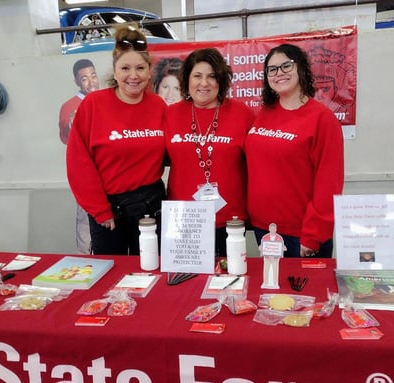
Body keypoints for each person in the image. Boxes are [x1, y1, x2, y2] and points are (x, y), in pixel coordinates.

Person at [66, 25, 167, 255]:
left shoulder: (158, 106)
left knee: (153, 272)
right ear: (115, 70)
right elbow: (78, 163)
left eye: (140, 68)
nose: (133, 76)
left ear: (149, 71)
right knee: (111, 277)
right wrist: (100, 210)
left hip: (152, 208)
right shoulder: (94, 105)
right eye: (125, 68)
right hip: (109, 212)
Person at [245, 43, 344, 258]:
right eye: (272, 69)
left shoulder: (322, 119)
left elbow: (329, 182)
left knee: (303, 292)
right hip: (264, 229)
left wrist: (313, 235)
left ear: (301, 68)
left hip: (301, 235)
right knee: (271, 291)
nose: (279, 73)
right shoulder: (263, 114)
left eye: (286, 66)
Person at [164, 47, 255, 257]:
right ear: (187, 79)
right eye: (197, 76)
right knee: (186, 285)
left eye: (212, 76)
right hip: (184, 220)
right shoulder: (171, 114)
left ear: (221, 81)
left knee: (228, 282)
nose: (204, 83)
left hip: (230, 221)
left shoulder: (243, 114)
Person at [59, 58, 100, 254]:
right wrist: (72, 125)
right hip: (86, 176)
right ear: (77, 81)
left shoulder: (105, 100)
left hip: (108, 174)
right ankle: (86, 262)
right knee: (86, 221)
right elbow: (67, 140)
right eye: (85, 78)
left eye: (93, 76)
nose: (91, 82)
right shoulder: (69, 107)